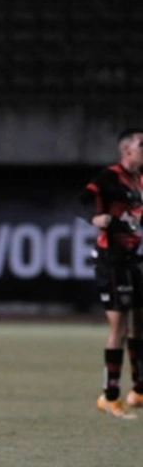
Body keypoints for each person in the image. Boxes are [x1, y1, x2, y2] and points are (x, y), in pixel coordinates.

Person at [79, 127, 143, 419]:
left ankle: (138, 390)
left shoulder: (138, 181)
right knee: (119, 327)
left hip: (133, 259)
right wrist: (94, 217)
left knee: (138, 324)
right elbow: (81, 200)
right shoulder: (110, 176)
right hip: (112, 261)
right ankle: (110, 396)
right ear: (127, 149)